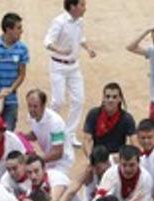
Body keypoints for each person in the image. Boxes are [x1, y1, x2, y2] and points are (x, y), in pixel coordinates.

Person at [45, 0, 95, 149]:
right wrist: (60, 50)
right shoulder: (59, 22)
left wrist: (88, 48)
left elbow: (81, 38)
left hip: (74, 66)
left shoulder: (79, 21)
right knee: (58, 101)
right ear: (73, 7)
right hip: (58, 66)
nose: (85, 8)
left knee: (78, 100)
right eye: (82, 5)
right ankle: (48, 127)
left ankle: (69, 133)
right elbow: (47, 41)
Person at [23, 88, 74, 174]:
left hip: (62, 162)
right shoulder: (32, 117)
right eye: (29, 106)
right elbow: (36, 133)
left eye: (35, 106)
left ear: (43, 106)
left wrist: (37, 160)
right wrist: (21, 137)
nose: (31, 110)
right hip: (48, 159)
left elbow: (58, 152)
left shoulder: (55, 123)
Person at [82, 81, 135, 155]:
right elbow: (87, 139)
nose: (110, 100)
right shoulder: (93, 114)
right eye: (107, 96)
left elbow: (134, 141)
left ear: (120, 99)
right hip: (98, 157)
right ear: (103, 98)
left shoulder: (126, 118)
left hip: (117, 157)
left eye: (114, 97)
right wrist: (91, 158)